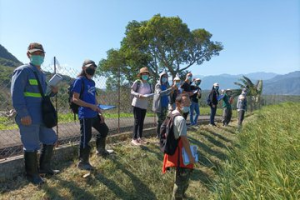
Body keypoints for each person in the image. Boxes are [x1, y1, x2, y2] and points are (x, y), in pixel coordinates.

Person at [11, 43, 59, 185]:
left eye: (41, 54)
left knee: (50, 139)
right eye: (35, 53)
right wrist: (23, 113)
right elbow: (16, 94)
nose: (38, 56)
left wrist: (53, 92)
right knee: (31, 145)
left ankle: (45, 168)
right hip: (29, 116)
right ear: (28, 55)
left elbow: (44, 95)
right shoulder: (22, 71)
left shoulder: (42, 74)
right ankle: (33, 175)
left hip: (43, 115)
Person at [72, 59, 110, 170]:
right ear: (83, 68)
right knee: (86, 138)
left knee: (104, 130)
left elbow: (94, 99)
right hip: (85, 115)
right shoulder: (79, 80)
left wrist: (99, 111)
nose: (92, 69)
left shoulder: (92, 82)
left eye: (94, 68)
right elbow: (75, 99)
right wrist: (90, 106)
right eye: (90, 67)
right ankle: (83, 162)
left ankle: (100, 150)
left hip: (94, 113)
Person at [162, 94, 195, 200]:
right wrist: (190, 157)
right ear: (178, 104)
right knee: (181, 180)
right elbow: (184, 140)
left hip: (173, 149)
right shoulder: (180, 119)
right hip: (180, 153)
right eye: (185, 103)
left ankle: (181, 195)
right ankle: (177, 197)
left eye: (189, 103)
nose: (188, 105)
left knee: (179, 176)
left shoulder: (171, 114)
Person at [130, 67, 153, 146]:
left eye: (146, 74)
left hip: (144, 105)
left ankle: (140, 137)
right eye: (143, 74)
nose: (145, 75)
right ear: (140, 75)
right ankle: (134, 138)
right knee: (137, 121)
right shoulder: (137, 82)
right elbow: (132, 91)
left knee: (141, 122)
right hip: (137, 104)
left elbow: (152, 93)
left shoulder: (149, 84)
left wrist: (149, 95)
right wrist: (138, 94)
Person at [153, 70, 175, 138]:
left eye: (166, 77)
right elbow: (161, 93)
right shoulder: (158, 85)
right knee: (160, 121)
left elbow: (168, 94)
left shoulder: (166, 85)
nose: (165, 78)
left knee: (164, 120)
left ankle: (162, 133)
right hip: (159, 106)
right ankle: (158, 135)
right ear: (160, 77)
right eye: (163, 77)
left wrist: (171, 90)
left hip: (165, 105)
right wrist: (170, 89)